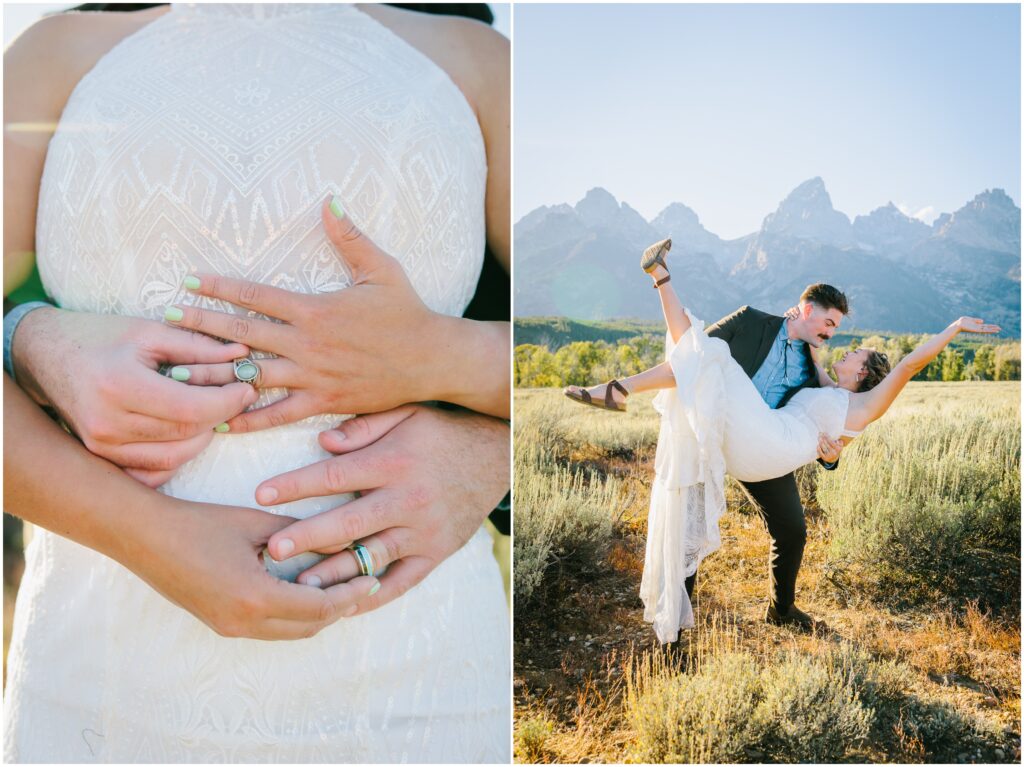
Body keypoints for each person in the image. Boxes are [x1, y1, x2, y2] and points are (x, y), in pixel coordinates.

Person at [4, 3, 510, 761]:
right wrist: (30, 338)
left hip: (416, 680)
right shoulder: (53, 58)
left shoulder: (480, 67)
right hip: (100, 680)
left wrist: (439, 360)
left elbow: (593, 371)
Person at [564, 239, 1000, 643]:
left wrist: (831, 457)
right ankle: (675, 630)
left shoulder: (838, 387)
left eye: (842, 340)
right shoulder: (756, 324)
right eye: (828, 324)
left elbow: (895, 375)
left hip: (762, 442)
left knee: (791, 529)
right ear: (805, 310)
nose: (835, 340)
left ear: (863, 374)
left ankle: (782, 609)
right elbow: (689, 357)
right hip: (730, 430)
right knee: (702, 360)